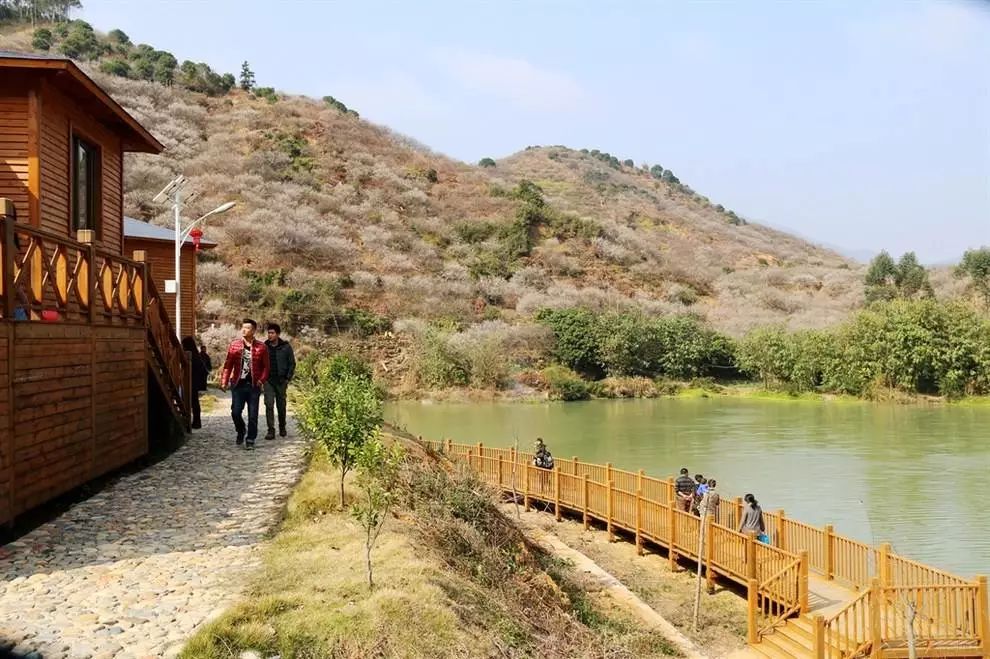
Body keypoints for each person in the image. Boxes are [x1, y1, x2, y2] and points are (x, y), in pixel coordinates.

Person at [220, 319, 270, 449]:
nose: (244, 330)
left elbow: (266, 367)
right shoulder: (234, 345)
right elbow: (228, 365)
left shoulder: (261, 347)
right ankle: (241, 430)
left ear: (253, 331)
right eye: (243, 327)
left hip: (254, 386)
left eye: (247, 328)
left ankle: (250, 440)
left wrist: (261, 380)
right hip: (238, 384)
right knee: (235, 412)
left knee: (253, 414)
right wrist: (224, 381)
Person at [263, 322, 295, 439]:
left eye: (272, 333)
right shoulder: (264, 347)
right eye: (269, 333)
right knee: (269, 404)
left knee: (281, 406)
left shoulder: (286, 347)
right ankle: (270, 430)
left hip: (281, 381)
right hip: (268, 381)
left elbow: (292, 363)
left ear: (278, 334)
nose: (270, 335)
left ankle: (282, 426)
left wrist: (287, 378)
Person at [181, 336, 208, 429]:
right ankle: (196, 422)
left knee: (193, 402)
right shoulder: (196, 355)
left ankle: (195, 422)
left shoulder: (192, 356)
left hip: (192, 382)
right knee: (194, 402)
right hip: (194, 382)